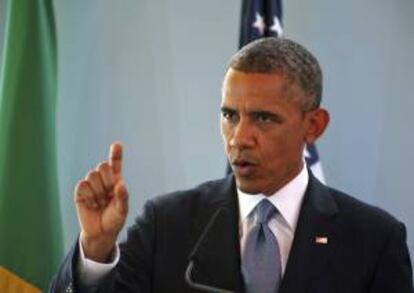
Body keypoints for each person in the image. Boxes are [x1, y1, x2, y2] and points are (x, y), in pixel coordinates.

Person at [50, 37, 413, 293]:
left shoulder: (373, 240)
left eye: (263, 119)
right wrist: (95, 249)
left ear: (313, 125)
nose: (239, 137)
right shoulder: (167, 223)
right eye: (229, 115)